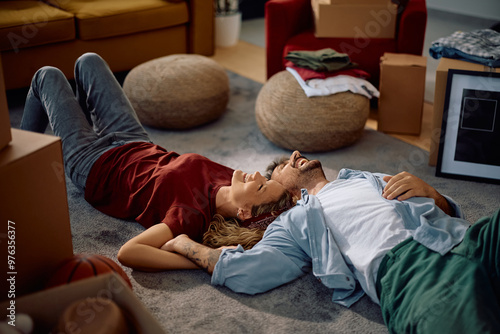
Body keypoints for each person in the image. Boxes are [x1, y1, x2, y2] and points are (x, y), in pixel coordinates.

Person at [164, 150, 500, 333]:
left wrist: (432, 193)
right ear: (286, 192)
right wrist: (184, 243)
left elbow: (451, 212)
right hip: (415, 275)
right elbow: (248, 272)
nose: (296, 153)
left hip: (467, 238)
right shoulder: (295, 220)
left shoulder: (366, 178)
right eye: (284, 165)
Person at [20, 52, 292, 271]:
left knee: (47, 76)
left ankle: (16, 165)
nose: (257, 174)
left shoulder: (191, 215)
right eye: (266, 179)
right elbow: (276, 220)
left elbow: (128, 253)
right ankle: (77, 119)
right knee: (88, 61)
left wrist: (201, 258)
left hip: (94, 165)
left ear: (244, 212)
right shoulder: (233, 181)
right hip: (133, 138)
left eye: (260, 186)